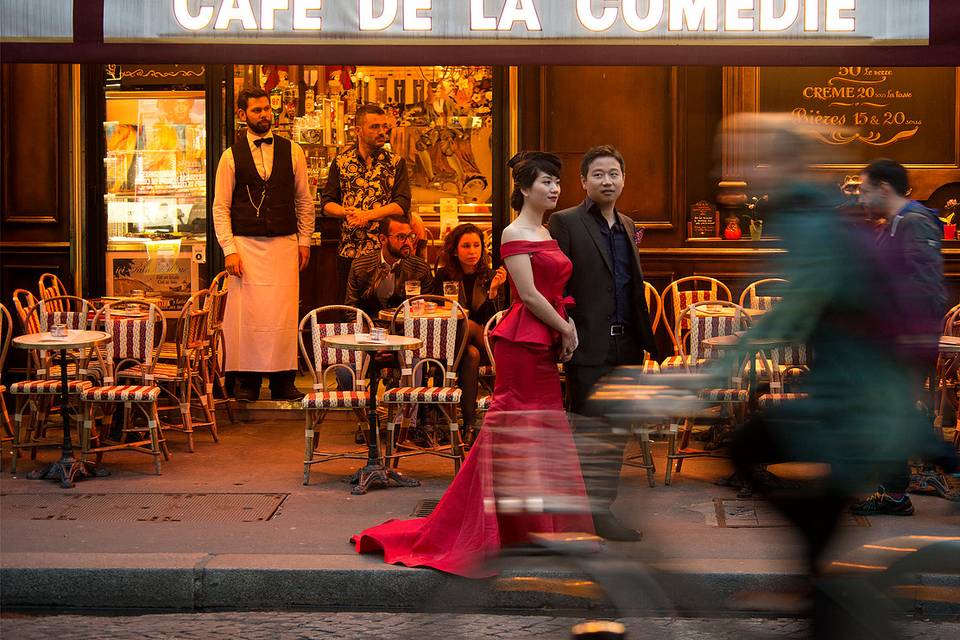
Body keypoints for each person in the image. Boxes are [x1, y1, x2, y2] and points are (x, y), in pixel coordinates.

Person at [351, 151, 594, 577]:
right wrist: (567, 329)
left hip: (544, 336)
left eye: (557, 182)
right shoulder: (513, 231)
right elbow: (530, 295)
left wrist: (565, 326)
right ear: (523, 189)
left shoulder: (545, 230)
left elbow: (551, 292)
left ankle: (537, 529)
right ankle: (493, 528)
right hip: (524, 342)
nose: (555, 188)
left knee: (542, 433)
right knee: (512, 429)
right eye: (546, 182)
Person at [547, 145, 659, 541]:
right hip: (587, 346)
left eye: (614, 173)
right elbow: (554, 285)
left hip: (626, 347)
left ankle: (601, 511)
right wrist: (564, 329)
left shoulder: (627, 224)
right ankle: (582, 513)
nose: (607, 181)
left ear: (624, 178)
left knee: (615, 433)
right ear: (583, 181)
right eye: (598, 174)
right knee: (588, 433)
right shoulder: (565, 222)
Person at [852, 158, 947, 516]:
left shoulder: (915, 222)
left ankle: (902, 490)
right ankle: (893, 492)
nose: (861, 199)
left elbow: (926, 289)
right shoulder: (893, 225)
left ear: (884, 188)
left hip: (906, 342)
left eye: (864, 191)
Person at [212, 87, 314, 402]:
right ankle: (247, 382)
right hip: (245, 245)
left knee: (283, 315)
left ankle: (283, 380)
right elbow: (220, 207)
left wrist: (305, 240)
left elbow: (304, 200)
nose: (264, 115)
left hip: (284, 243)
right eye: (256, 110)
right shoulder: (230, 156)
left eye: (267, 109)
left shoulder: (293, 151)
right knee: (246, 317)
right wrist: (229, 249)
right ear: (242, 115)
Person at [321, 104, 413, 304]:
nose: (382, 132)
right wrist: (346, 212)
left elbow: (401, 204)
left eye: (384, 126)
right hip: (349, 251)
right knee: (350, 312)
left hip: (384, 254)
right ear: (358, 131)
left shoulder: (396, 163)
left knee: (386, 311)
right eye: (374, 127)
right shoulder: (341, 162)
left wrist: (367, 215)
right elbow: (327, 203)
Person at [434, 223, 508, 436]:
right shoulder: (443, 276)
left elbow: (495, 321)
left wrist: (493, 292)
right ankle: (469, 424)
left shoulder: (490, 276)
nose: (472, 251)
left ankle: (454, 419)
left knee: (468, 325)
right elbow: (440, 313)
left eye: (476, 245)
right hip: (455, 344)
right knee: (470, 355)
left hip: (487, 344)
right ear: (455, 250)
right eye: (466, 246)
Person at [344, 215, 433, 320]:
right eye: (401, 237)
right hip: (370, 329)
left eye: (410, 236)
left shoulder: (421, 269)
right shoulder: (360, 266)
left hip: (405, 330)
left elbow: (428, 312)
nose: (408, 243)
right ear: (383, 239)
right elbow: (351, 310)